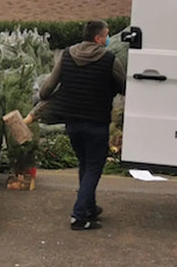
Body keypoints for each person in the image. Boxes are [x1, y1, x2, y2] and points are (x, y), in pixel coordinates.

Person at [24, 19, 125, 230]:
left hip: (73, 123)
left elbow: (49, 86)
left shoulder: (67, 54)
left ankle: (89, 207)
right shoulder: (109, 58)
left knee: (85, 165)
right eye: (106, 35)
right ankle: (79, 216)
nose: (107, 39)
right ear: (98, 38)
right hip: (96, 123)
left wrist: (40, 97)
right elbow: (123, 85)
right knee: (94, 168)